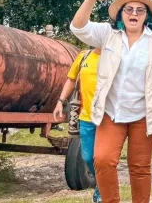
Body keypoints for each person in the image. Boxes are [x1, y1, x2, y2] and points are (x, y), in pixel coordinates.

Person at [70, 0, 152, 203]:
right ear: (121, 14)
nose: (134, 13)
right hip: (111, 112)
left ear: (147, 16)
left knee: (140, 167)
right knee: (102, 160)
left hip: (145, 113)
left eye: (140, 10)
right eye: (129, 9)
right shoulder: (108, 35)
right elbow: (78, 27)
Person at [54, 46, 103, 203]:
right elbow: (72, 79)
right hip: (86, 117)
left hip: (108, 119)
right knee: (88, 157)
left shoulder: (115, 56)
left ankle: (103, 191)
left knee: (104, 158)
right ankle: (101, 184)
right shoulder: (84, 57)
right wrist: (60, 102)